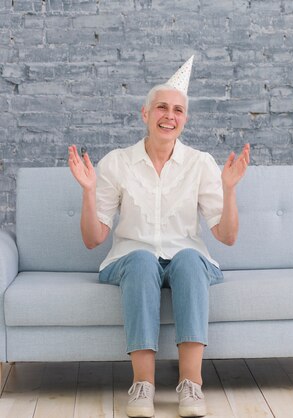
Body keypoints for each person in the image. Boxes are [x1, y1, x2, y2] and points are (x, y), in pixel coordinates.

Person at [68, 56, 250, 418]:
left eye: (178, 110)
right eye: (162, 108)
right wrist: (88, 192)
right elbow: (93, 239)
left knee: (187, 258)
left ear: (185, 119)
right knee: (140, 258)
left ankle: (191, 385)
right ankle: (143, 385)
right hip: (130, 262)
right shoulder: (117, 163)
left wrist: (229, 190)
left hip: (188, 263)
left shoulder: (200, 164)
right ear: (145, 114)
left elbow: (226, 237)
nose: (170, 115)